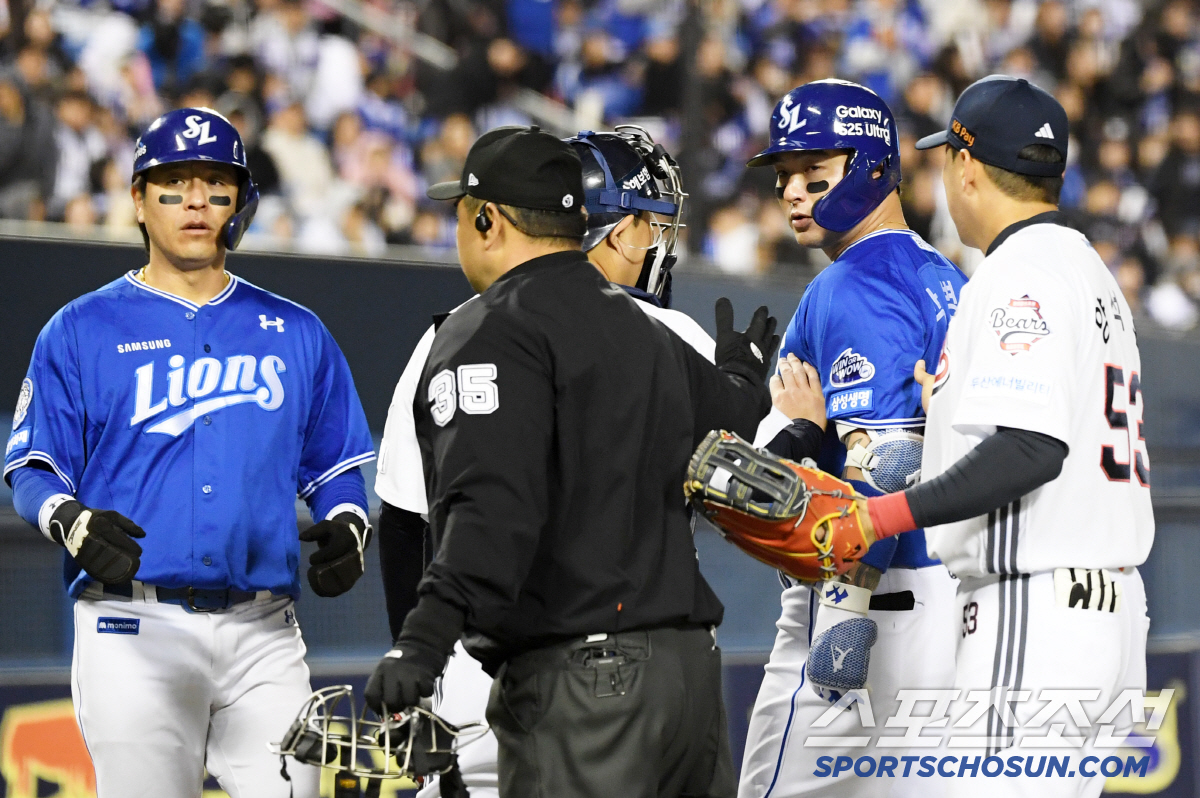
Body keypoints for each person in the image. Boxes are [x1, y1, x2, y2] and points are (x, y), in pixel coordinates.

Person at [363, 124, 777, 798]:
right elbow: (731, 420)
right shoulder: (649, 329)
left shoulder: (481, 328)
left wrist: (420, 645)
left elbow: (483, 510)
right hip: (688, 677)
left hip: (580, 678)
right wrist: (741, 376)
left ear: (488, 218)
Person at [3, 107, 375, 798]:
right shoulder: (80, 328)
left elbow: (338, 470)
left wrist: (351, 522)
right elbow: (31, 465)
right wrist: (71, 520)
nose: (197, 201)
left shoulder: (297, 331)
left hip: (265, 631)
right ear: (140, 200)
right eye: (174, 183)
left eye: (215, 183)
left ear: (241, 202)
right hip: (131, 625)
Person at [854, 75, 1152, 797]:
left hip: (1036, 609)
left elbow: (1030, 448)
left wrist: (884, 513)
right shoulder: (1089, 271)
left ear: (967, 166)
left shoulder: (1021, 272)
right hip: (1103, 613)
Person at [737, 79, 966, 798]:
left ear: (870, 163)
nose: (793, 194)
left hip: (862, 603)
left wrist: (846, 617)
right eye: (783, 179)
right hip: (943, 597)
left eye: (814, 173)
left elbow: (886, 468)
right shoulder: (942, 275)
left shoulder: (852, 286)